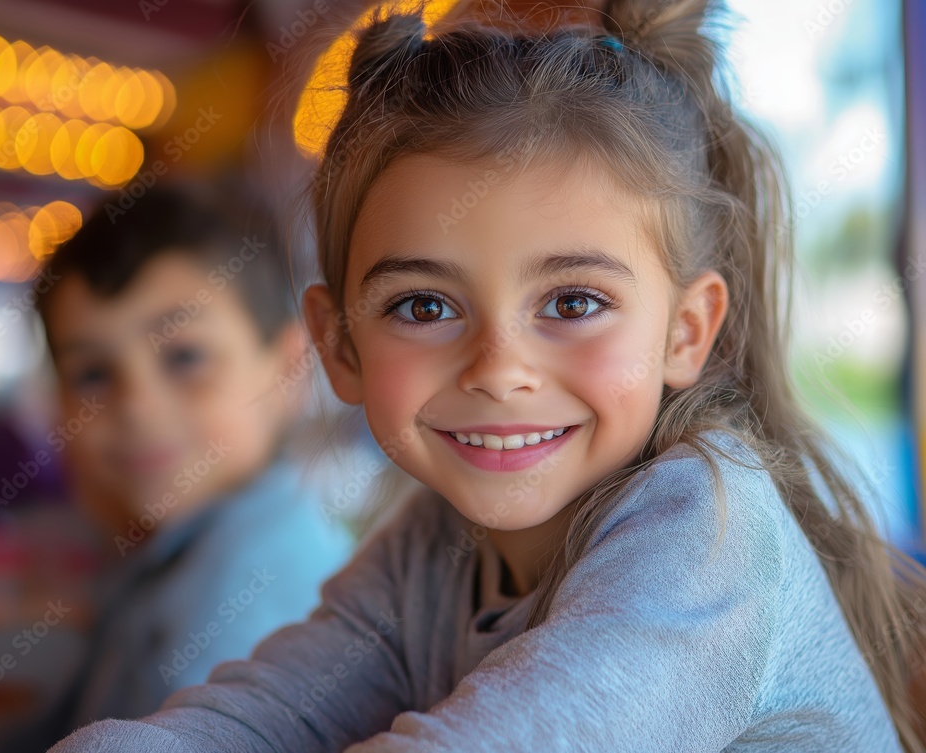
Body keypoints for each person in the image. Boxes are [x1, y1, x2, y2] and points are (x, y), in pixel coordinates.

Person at [48, 1, 926, 750]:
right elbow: (259, 716)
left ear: (686, 331)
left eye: (573, 302)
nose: (500, 369)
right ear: (340, 346)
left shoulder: (707, 533)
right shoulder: (428, 548)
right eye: (425, 307)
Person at [1, 187, 353, 749]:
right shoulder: (179, 552)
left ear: (290, 371)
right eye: (92, 375)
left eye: (184, 357)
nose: (137, 405)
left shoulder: (243, 596)